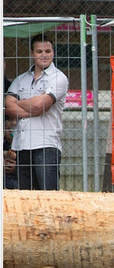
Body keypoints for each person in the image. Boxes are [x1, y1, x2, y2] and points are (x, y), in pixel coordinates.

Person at [4, 35, 68, 190]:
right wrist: (33, 108)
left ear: (53, 52)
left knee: (48, 195)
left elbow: (40, 105)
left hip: (46, 144)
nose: (44, 55)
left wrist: (19, 102)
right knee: (25, 195)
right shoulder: (21, 79)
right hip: (22, 145)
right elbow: (8, 107)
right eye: (39, 51)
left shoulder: (59, 78)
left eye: (48, 51)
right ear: (32, 53)